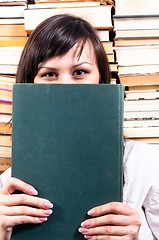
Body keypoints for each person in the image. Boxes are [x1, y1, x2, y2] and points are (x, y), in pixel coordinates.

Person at [0, 14, 159, 240]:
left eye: (80, 72)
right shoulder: (11, 184)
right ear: (29, 85)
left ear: (101, 81)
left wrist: (138, 236)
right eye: (50, 74)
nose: (66, 86)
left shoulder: (146, 163)